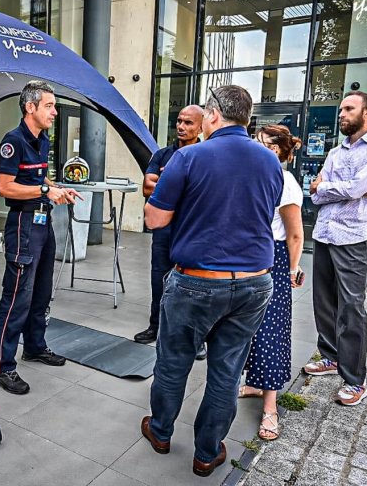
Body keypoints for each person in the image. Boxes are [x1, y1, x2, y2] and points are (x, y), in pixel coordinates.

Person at [139, 85, 282, 477]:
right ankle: (207, 453)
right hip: (254, 283)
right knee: (227, 369)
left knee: (173, 362)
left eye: (202, 116)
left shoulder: (189, 156)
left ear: (214, 115)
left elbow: (154, 219)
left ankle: (162, 432)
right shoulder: (271, 162)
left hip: (197, 282)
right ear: (247, 118)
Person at [303, 91, 367, 407]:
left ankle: (355, 380)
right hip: (325, 234)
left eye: (348, 108)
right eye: (341, 108)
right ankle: (330, 357)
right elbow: (314, 195)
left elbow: (354, 188)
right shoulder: (335, 153)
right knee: (324, 302)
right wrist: (335, 190)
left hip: (354, 237)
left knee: (351, 308)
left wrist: (327, 187)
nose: (341, 113)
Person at [0, 81, 81, 395]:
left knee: (41, 293)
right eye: (50, 106)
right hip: (23, 225)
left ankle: (35, 346)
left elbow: (40, 175)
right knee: (16, 298)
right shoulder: (13, 141)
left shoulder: (43, 140)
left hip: (43, 222)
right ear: (31, 107)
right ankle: (2, 367)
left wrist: (57, 188)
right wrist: (44, 191)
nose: (55, 112)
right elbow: (5, 187)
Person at [238, 124, 305, 441]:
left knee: (270, 332)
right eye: (254, 140)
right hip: (248, 256)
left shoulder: (285, 181)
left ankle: (270, 409)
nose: (255, 145)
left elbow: (294, 235)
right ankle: (253, 384)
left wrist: (291, 270)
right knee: (246, 327)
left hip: (275, 259)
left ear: (277, 150)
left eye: (263, 143)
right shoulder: (252, 175)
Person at [134, 105, 208, 361]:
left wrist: (169, 183)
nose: (181, 126)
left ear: (200, 127)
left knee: (193, 285)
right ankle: (156, 326)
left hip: (192, 232)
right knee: (159, 279)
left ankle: (195, 338)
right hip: (164, 231)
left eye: (188, 123)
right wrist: (175, 182)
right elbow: (147, 187)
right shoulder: (163, 154)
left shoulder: (203, 155)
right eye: (179, 121)